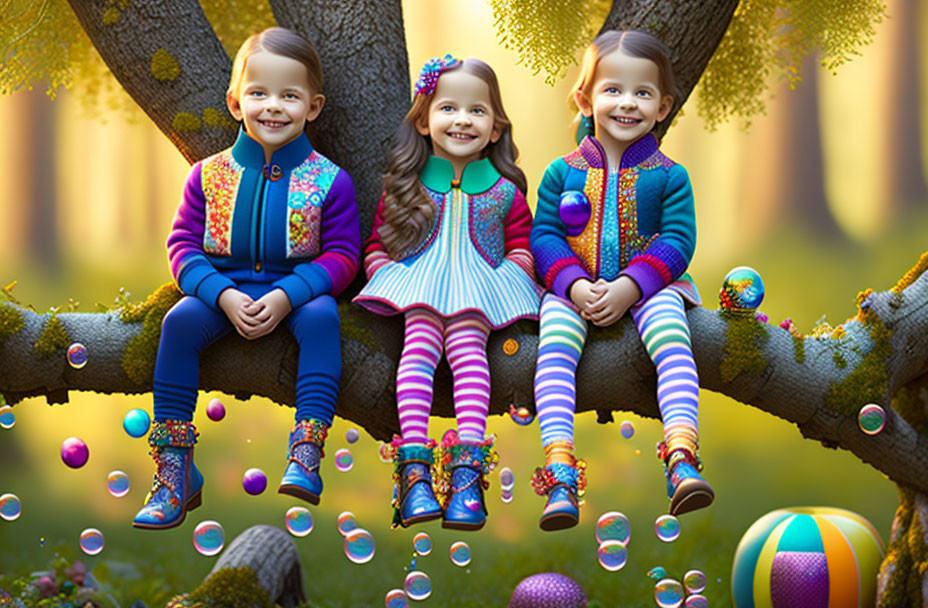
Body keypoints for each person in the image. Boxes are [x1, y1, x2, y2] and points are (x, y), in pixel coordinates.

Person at [133, 27, 360, 530]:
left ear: (313, 107)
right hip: (221, 289)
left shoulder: (330, 180)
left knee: (323, 319)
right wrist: (223, 294)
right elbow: (183, 249)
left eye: (289, 96)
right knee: (177, 323)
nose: (273, 107)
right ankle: (174, 468)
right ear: (236, 103)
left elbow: (344, 257)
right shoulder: (208, 176)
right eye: (258, 93)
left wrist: (287, 295)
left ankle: (306, 449)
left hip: (298, 291)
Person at [530, 30, 712, 531]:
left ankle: (681, 455)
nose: (626, 103)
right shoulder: (561, 173)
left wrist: (632, 286)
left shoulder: (668, 175)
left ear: (662, 107)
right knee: (556, 348)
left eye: (642, 93)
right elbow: (543, 236)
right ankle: (561, 469)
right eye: (612, 90)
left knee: (672, 339)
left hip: (651, 289)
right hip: (573, 289)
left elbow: (676, 241)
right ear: (585, 99)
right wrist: (571, 284)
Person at [355, 55, 541, 530]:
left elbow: (521, 243)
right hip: (420, 284)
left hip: (479, 287)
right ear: (423, 119)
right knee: (418, 349)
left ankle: (465, 474)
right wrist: (387, 273)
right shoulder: (407, 185)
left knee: (467, 350)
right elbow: (379, 241)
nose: (462, 120)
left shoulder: (504, 192)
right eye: (448, 108)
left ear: (496, 128)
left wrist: (510, 277)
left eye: (477, 111)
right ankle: (414, 471)